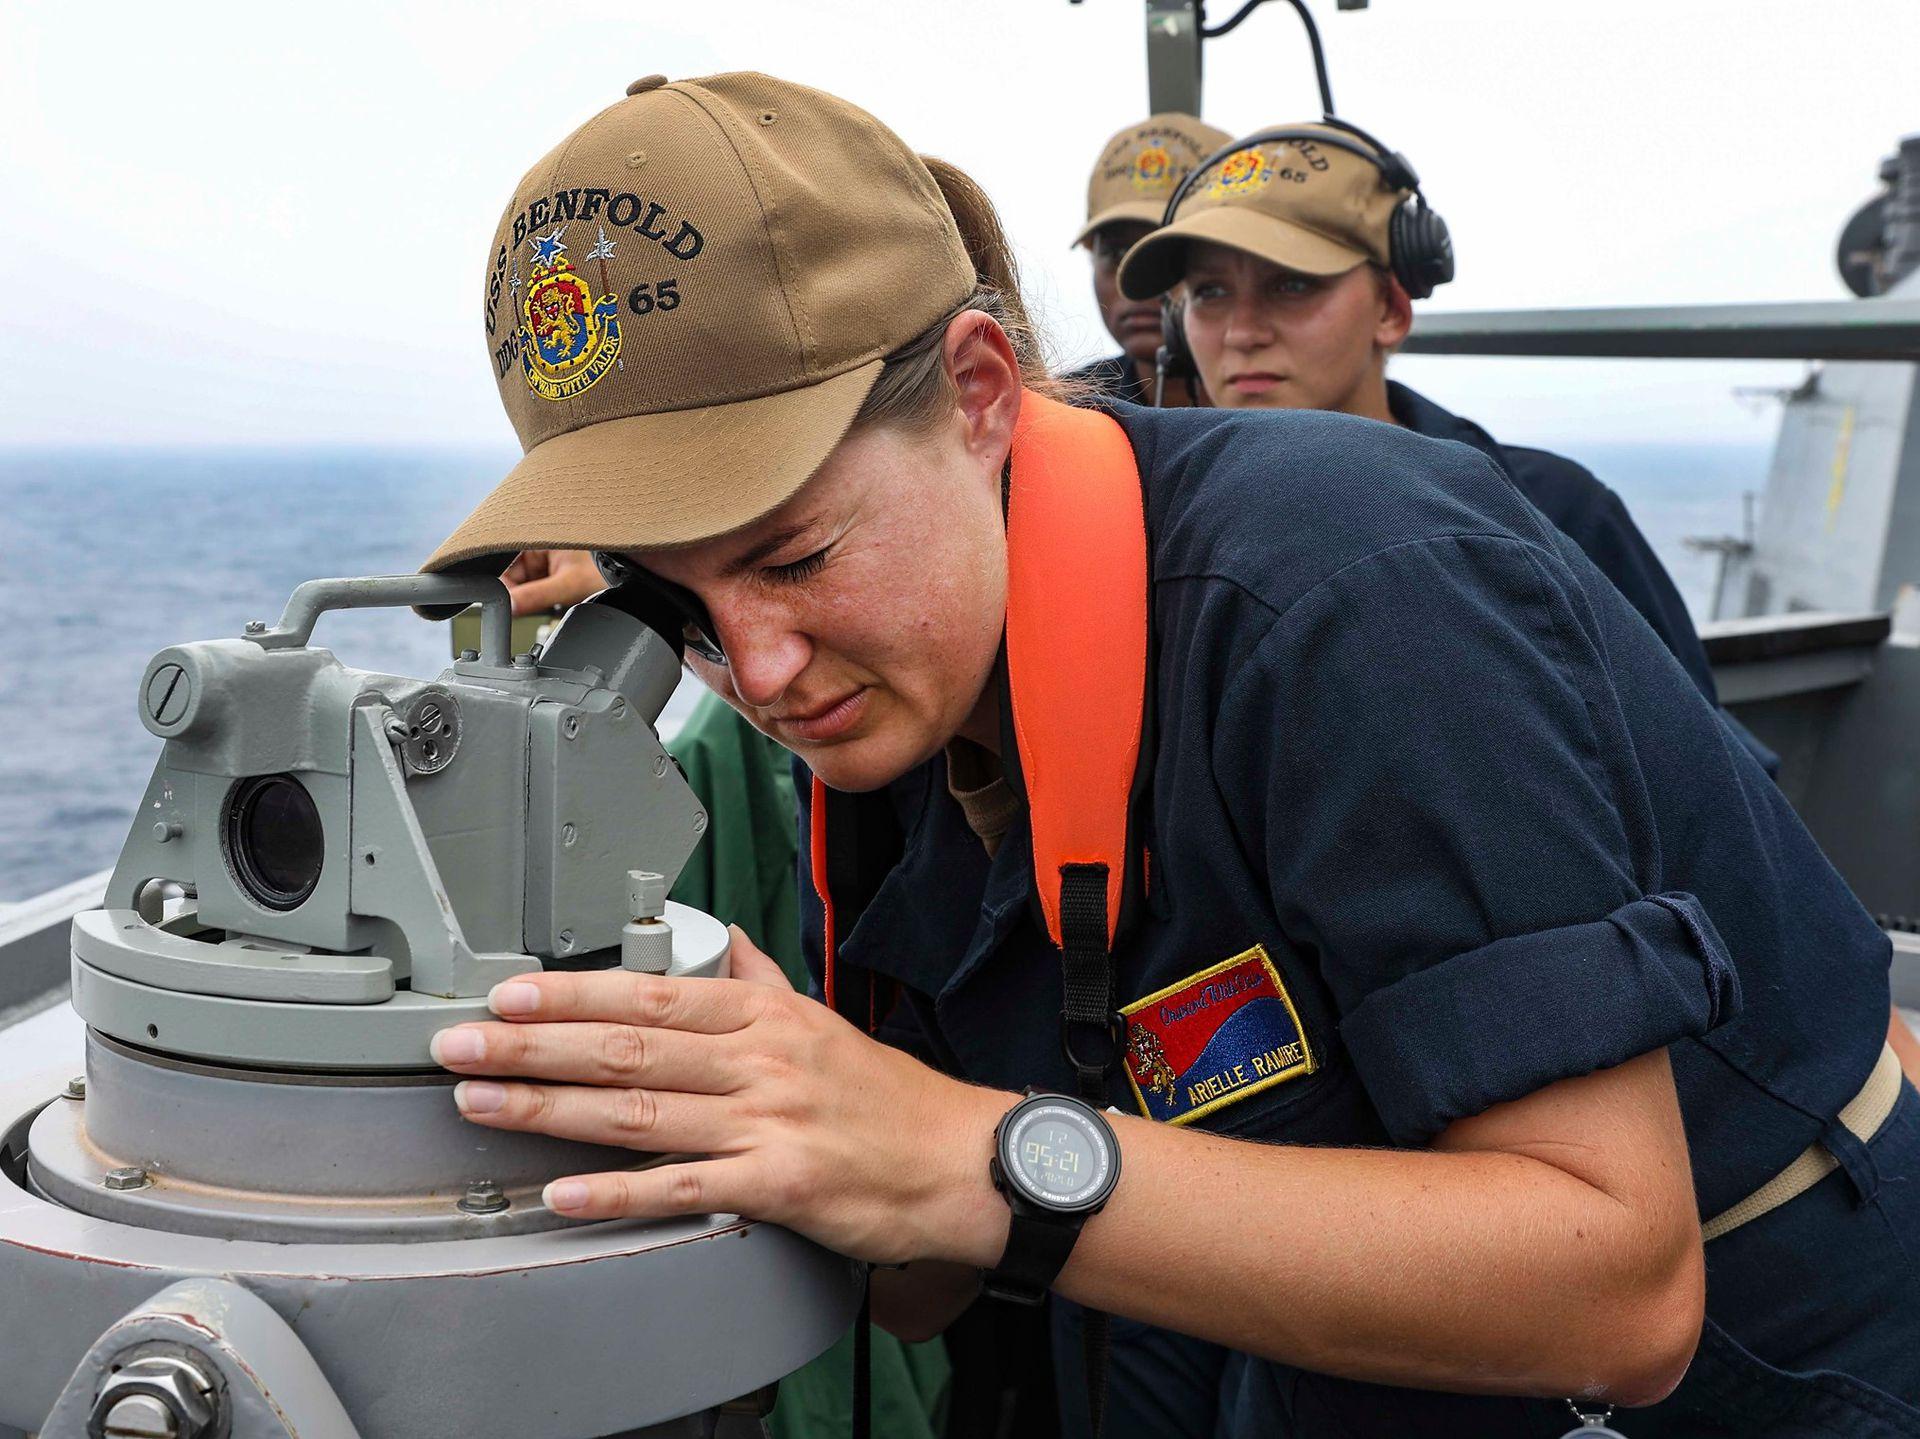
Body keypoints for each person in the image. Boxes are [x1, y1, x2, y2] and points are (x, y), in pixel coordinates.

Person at [422, 73, 1920, 1438]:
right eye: (675, 599)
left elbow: (1616, 1285)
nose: (756, 671)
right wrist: (782, 1139)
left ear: (983, 392)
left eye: (798, 555)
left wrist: (951, 1148)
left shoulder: (1352, 598)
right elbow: (921, 1276)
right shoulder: (910, 698)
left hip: (1763, 1350)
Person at [1063, 114, 1231, 407]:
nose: (1138, 283)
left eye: (1169, 254)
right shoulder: (1059, 413)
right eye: (1117, 255)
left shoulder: (1309, 410)